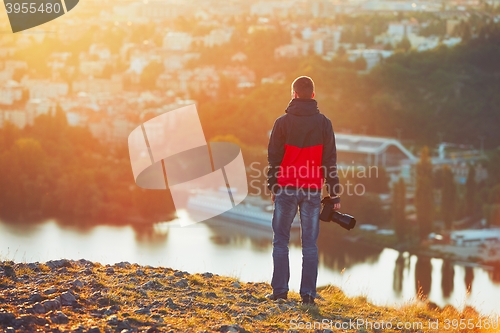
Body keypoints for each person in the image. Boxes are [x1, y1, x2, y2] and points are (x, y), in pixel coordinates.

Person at [266, 76, 341, 305]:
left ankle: (280, 292)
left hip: (286, 188)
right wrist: (334, 193)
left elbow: (274, 158)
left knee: (281, 241)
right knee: (310, 244)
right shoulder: (324, 123)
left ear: (294, 94)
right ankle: (308, 294)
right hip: (311, 190)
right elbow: (329, 160)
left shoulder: (282, 122)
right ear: (313, 95)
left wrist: (273, 185)